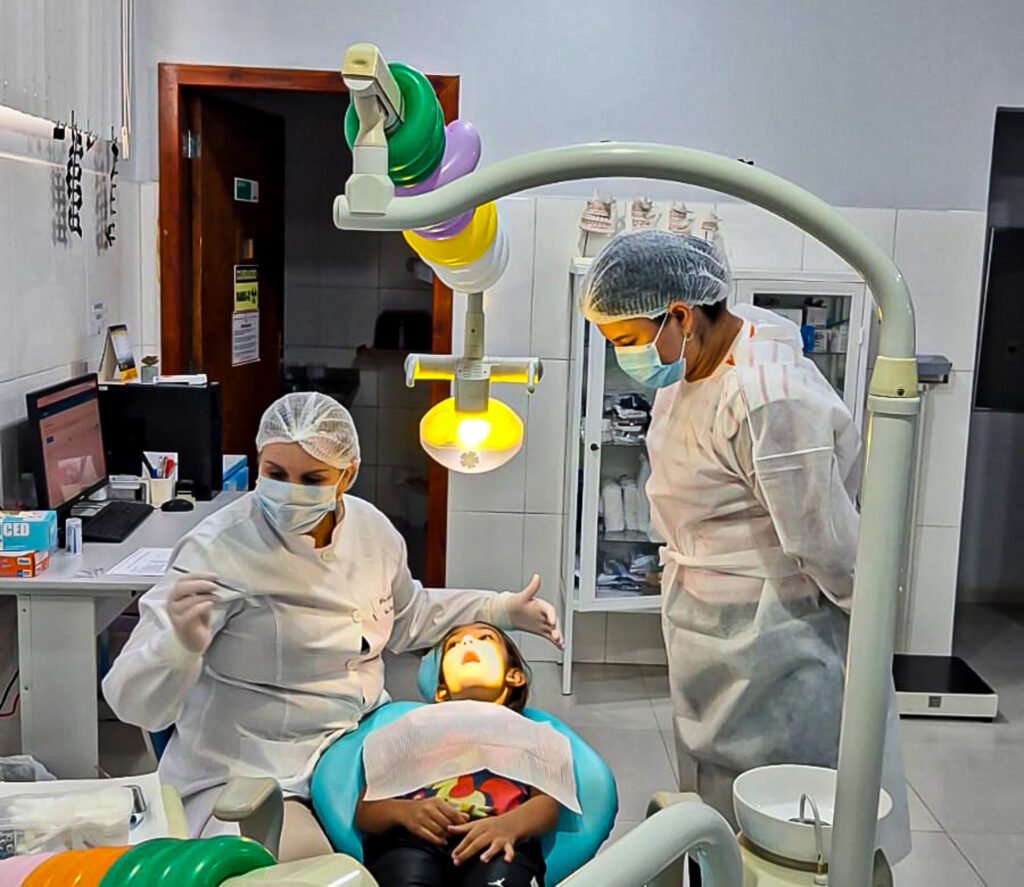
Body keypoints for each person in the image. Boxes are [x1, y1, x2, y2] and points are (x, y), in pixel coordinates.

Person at [103, 393, 561, 862]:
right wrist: (178, 647)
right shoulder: (215, 550)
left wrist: (500, 609)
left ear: (347, 475)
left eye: (312, 479)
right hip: (260, 769)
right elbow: (131, 702)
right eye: (275, 473)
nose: (290, 490)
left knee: (452, 837)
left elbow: (408, 616)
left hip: (356, 753)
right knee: (312, 870)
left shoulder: (372, 531)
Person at [580, 230, 911, 872]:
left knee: (784, 825)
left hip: (776, 640)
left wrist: (862, 633)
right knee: (719, 812)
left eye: (626, 339)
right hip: (709, 627)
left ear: (680, 315)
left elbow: (827, 544)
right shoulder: (690, 372)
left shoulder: (769, 395)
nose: (625, 356)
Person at [356, 622, 568, 887]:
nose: (467, 643)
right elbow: (367, 811)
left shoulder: (535, 734)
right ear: (441, 691)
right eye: (454, 645)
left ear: (515, 676)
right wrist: (405, 812)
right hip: (412, 841)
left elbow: (547, 804)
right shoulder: (412, 730)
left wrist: (508, 826)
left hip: (498, 840)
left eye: (485, 638)